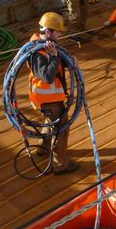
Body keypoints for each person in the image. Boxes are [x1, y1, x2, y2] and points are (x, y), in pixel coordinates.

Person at [27, 12, 78, 175]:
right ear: (48, 32)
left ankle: (43, 149)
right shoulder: (36, 53)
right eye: (58, 32)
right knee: (61, 129)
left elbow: (57, 60)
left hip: (51, 98)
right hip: (47, 99)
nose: (61, 34)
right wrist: (56, 58)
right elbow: (48, 76)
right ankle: (60, 165)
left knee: (51, 122)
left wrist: (69, 60)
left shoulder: (46, 45)